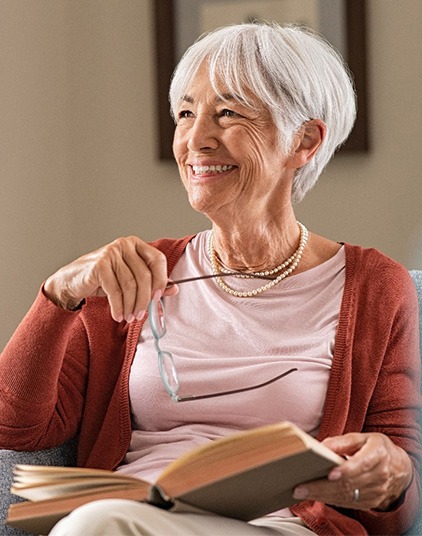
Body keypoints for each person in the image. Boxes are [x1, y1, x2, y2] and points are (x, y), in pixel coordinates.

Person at [0, 21, 420, 536]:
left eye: (228, 113)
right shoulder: (136, 274)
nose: (195, 139)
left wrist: (390, 475)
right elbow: (15, 427)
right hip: (132, 514)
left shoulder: (376, 287)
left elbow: (398, 506)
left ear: (304, 140)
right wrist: (57, 293)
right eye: (184, 114)